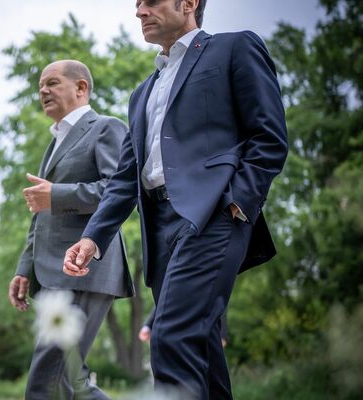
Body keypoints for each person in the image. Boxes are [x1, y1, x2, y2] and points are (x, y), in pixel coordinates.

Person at [62, 0, 288, 398]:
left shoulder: (234, 48)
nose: (139, 11)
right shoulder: (141, 94)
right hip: (160, 229)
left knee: (170, 337)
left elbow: (269, 137)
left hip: (213, 215)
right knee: (201, 349)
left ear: (188, 3)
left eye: (150, 1)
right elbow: (125, 178)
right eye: (137, 4)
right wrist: (92, 237)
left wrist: (237, 203)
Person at [9, 60, 134, 400]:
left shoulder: (106, 128)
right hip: (52, 273)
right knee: (71, 385)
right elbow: (41, 212)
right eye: (40, 86)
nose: (43, 91)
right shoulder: (54, 144)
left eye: (52, 83)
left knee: (46, 384)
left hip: (83, 270)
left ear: (81, 88)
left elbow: (118, 190)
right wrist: (24, 268)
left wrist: (57, 195)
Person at [139, 306, 228, 348]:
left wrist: (222, 334)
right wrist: (148, 325)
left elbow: (219, 299)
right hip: (176, 334)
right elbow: (165, 295)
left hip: (202, 333)